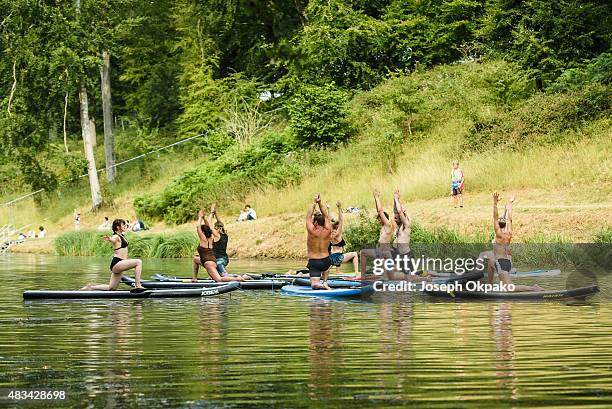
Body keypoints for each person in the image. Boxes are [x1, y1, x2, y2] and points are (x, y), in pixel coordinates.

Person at [492, 192, 543, 292]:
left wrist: (494, 204)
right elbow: (509, 219)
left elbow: (495, 217)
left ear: (498, 225)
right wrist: (510, 203)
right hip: (508, 263)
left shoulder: (499, 235)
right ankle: (489, 286)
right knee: (490, 263)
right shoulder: (508, 233)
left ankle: (533, 288)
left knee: (509, 288)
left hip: (501, 262)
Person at [80, 219, 144, 291]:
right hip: (117, 263)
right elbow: (113, 240)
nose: (125, 226)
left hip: (121, 264)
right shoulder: (116, 236)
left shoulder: (122, 235)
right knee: (138, 262)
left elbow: (126, 231)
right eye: (123, 225)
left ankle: (90, 287)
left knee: (111, 288)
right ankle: (137, 285)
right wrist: (110, 239)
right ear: (118, 227)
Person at [192, 205, 251, 281]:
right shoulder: (215, 237)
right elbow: (210, 226)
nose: (214, 229)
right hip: (219, 259)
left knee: (220, 279)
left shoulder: (211, 237)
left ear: (218, 228)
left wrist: (201, 217)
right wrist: (209, 215)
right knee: (195, 259)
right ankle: (195, 278)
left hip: (217, 260)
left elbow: (202, 227)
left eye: (215, 228)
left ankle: (239, 278)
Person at [392, 190, 429, 281]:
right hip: (401, 257)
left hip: (407, 256)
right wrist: (394, 200)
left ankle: (426, 279)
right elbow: (396, 211)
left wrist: (396, 199)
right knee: (406, 277)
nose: (394, 220)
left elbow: (400, 212)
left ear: (402, 218)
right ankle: (419, 275)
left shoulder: (407, 226)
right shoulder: (399, 228)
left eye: (396, 218)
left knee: (409, 277)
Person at [360, 190, 396, 276]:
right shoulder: (383, 228)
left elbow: (380, 211)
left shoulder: (388, 225)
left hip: (384, 253)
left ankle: (411, 276)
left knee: (391, 276)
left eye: (379, 219)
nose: (378, 220)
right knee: (363, 253)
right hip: (380, 252)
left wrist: (376, 198)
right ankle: (363, 274)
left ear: (383, 218)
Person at [306, 193, 332, 289]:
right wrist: (320, 203)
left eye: (314, 221)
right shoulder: (328, 230)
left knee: (314, 285)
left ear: (316, 222)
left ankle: (320, 285)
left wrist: (314, 202)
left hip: (314, 261)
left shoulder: (312, 231)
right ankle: (325, 282)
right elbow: (326, 215)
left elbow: (308, 216)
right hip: (326, 261)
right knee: (327, 263)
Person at [328, 201, 359, 276]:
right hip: (338, 257)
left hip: (332, 257)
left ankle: (338, 271)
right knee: (354, 254)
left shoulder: (330, 233)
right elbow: (341, 220)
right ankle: (356, 273)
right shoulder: (338, 234)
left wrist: (328, 209)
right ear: (337, 227)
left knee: (322, 273)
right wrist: (339, 208)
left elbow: (328, 221)